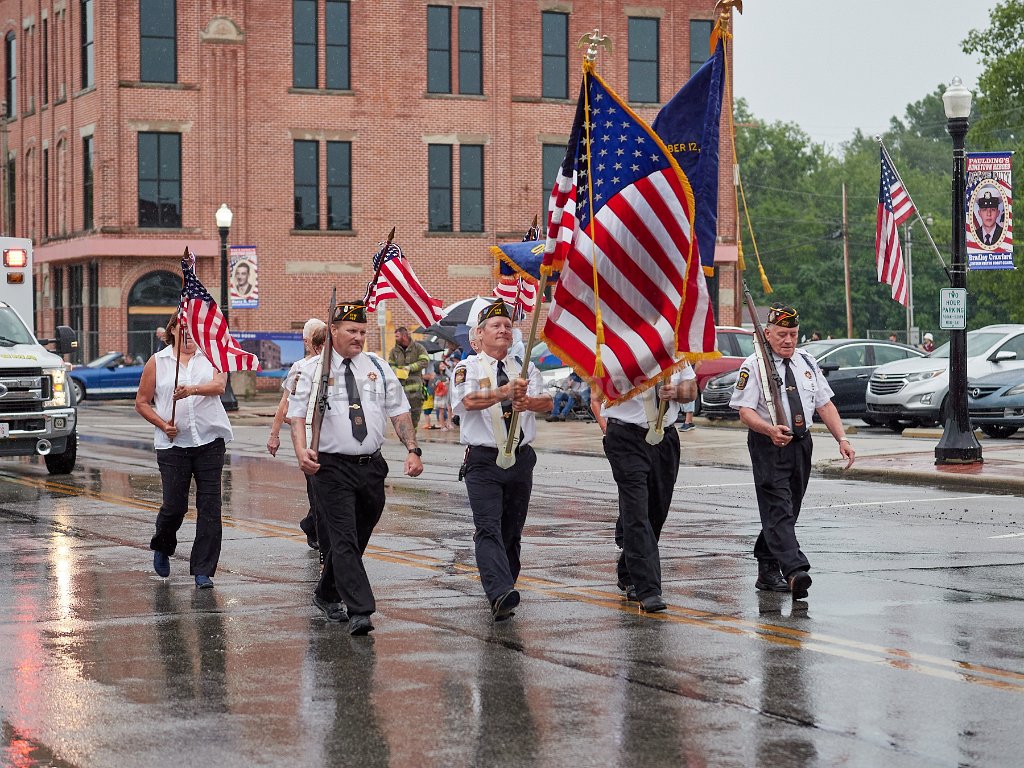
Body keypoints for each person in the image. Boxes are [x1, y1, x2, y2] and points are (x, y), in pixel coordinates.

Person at [288, 301, 423, 636]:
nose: (359, 337)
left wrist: (412, 449)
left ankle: (326, 592)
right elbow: (297, 416)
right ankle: (361, 610)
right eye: (351, 330)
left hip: (371, 466)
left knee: (358, 536)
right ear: (333, 331)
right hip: (331, 467)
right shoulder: (312, 371)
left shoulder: (377, 366)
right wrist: (301, 451)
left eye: (362, 331)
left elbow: (399, 410)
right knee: (344, 537)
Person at [729, 302, 855, 600]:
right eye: (782, 334)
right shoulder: (754, 365)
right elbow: (744, 411)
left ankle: (767, 569)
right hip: (769, 444)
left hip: (801, 444)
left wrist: (842, 439)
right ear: (767, 334)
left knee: (790, 509)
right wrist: (769, 430)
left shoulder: (807, 362)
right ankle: (795, 570)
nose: (788, 340)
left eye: (794, 334)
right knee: (779, 509)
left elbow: (824, 404)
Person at [451, 300, 553, 621]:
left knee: (512, 530)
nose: (504, 330)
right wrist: (504, 392)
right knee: (488, 527)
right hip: (484, 460)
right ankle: (498, 591)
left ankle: (506, 587)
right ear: (479, 335)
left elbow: (547, 402)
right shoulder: (468, 367)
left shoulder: (524, 367)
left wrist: (528, 401)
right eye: (496, 325)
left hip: (520, 458)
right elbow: (467, 400)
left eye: (508, 326)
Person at [135, 316, 232, 589]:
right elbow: (142, 402)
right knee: (175, 506)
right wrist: (162, 424)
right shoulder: (158, 362)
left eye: (194, 329)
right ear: (174, 330)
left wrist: (191, 390)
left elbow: (219, 386)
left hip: (209, 442)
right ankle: (163, 545)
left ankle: (203, 570)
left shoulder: (212, 355)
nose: (189, 333)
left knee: (210, 507)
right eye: (184, 328)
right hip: (173, 446)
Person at [591, 363, 697, 613]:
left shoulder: (676, 352)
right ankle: (648, 589)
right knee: (636, 511)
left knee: (656, 512)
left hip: (664, 436)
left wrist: (676, 392)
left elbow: (691, 389)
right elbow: (597, 394)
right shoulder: (616, 350)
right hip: (626, 436)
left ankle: (628, 571)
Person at [267, 318, 328, 550]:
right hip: (309, 438)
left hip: (332, 439)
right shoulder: (300, 368)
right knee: (317, 489)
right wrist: (274, 434)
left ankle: (312, 525)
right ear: (308, 341)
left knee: (327, 490)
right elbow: (285, 404)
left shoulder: (336, 366)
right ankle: (319, 532)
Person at [389, 327, 430, 428]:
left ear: (404, 336)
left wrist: (410, 367)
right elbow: (390, 365)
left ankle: (412, 432)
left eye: (397, 336)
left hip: (415, 389)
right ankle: (404, 432)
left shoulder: (418, 348)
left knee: (415, 414)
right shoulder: (394, 351)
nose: (395, 338)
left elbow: (425, 361)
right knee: (401, 414)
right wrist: (396, 370)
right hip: (400, 389)